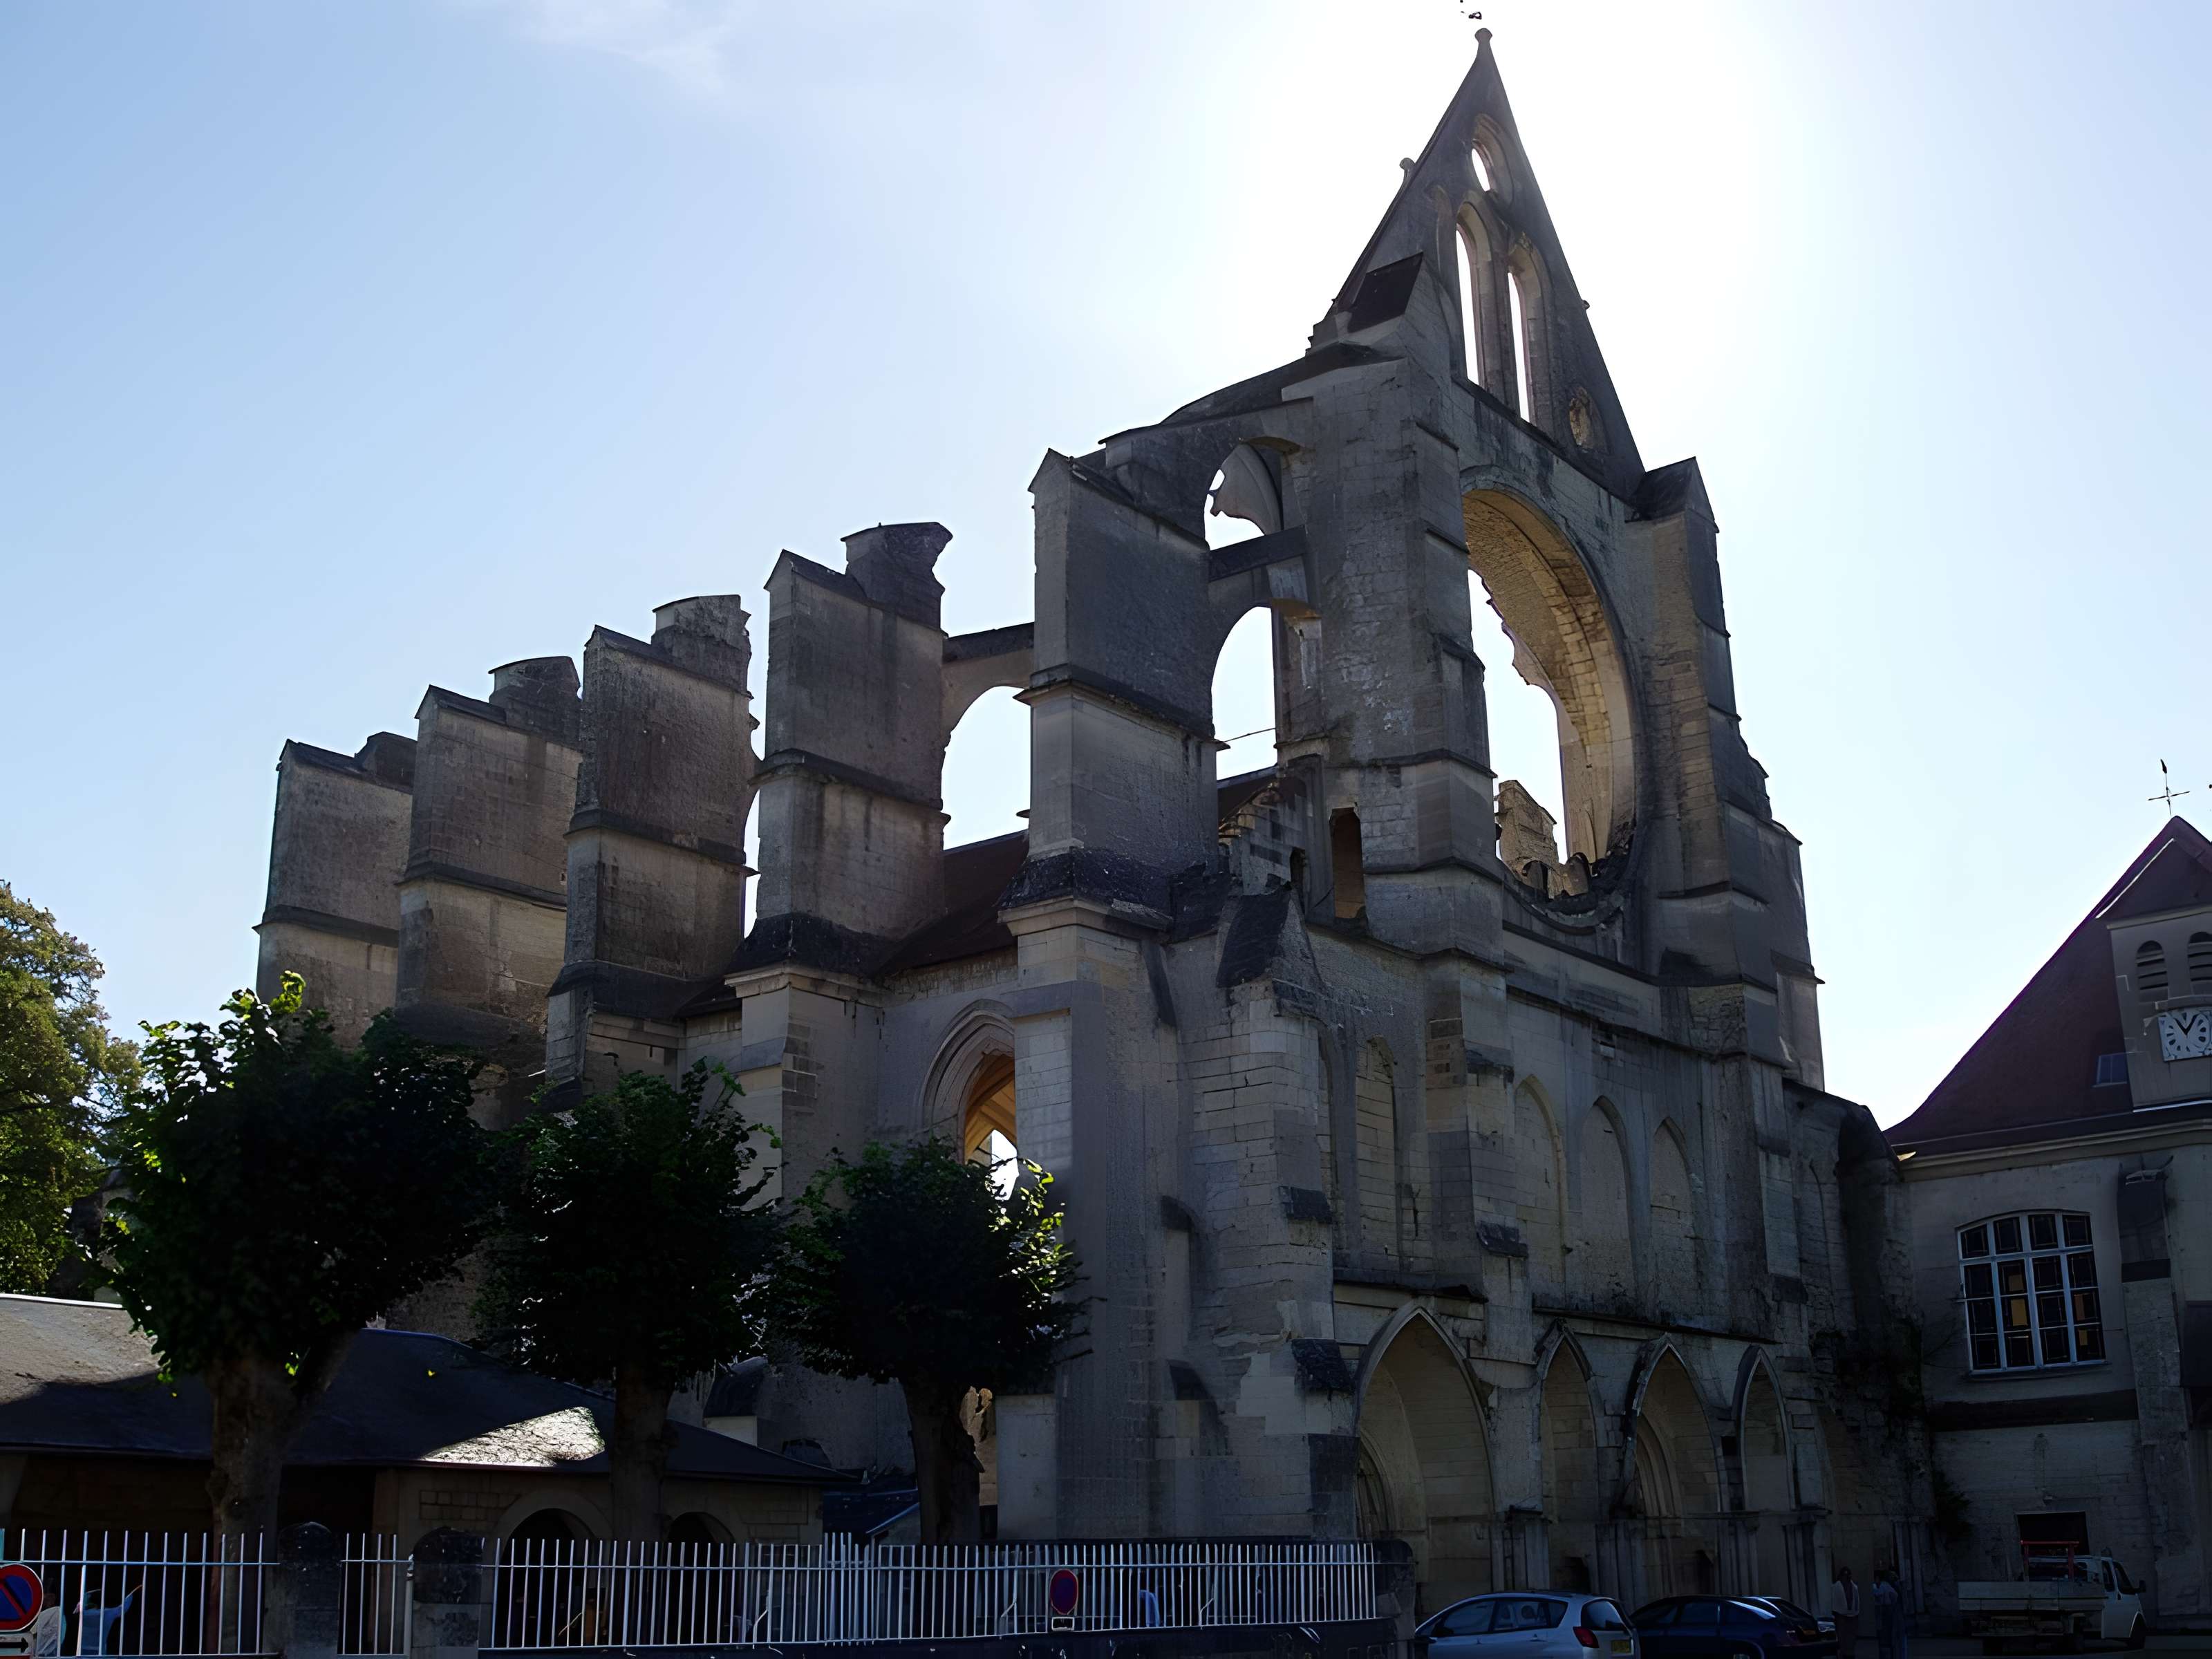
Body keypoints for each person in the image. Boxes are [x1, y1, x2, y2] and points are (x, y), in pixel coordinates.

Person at [1871, 1568, 1906, 1659]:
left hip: (1888, 1609)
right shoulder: (1887, 1586)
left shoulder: (1883, 1585)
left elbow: (1879, 1594)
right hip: (1888, 1609)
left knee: (1887, 1633)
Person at [1829, 1564, 1862, 1659]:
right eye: (1845, 1575)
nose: (1846, 1578)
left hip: (1852, 1615)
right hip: (1841, 1616)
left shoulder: (1854, 1587)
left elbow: (1856, 1602)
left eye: (1848, 1576)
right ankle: (1843, 1653)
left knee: (1850, 1636)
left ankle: (1849, 1653)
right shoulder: (1836, 1587)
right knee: (1842, 1636)